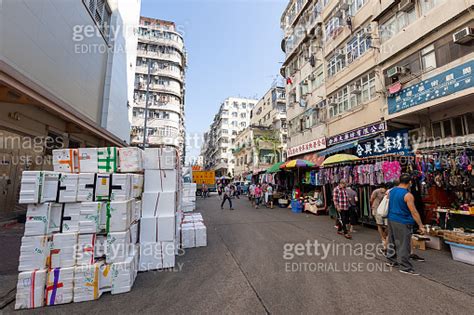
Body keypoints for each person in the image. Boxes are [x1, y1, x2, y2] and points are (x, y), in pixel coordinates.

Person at [386, 174, 426, 276]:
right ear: (410, 183)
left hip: (391, 219)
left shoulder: (392, 191)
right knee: (404, 244)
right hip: (402, 221)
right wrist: (421, 225)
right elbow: (414, 212)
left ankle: (391, 260)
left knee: (392, 240)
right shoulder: (408, 195)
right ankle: (405, 267)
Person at [370, 184, 388, 250]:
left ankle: (384, 236)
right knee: (379, 224)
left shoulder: (387, 192)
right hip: (376, 209)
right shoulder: (376, 191)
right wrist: (372, 207)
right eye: (383, 189)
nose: (383, 191)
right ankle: (383, 238)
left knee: (386, 225)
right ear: (381, 188)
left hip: (384, 210)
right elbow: (371, 199)